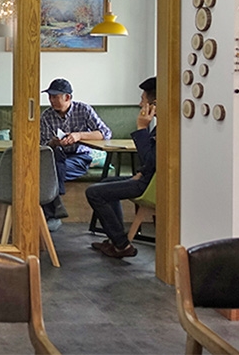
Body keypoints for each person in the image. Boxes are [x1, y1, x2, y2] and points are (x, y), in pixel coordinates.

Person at [86, 77, 156, 259]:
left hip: (150, 185)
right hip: (147, 178)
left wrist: (141, 128)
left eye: (142, 99)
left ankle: (122, 244)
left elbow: (149, 158)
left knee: (94, 192)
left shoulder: (164, 129)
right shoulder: (162, 126)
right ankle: (115, 240)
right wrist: (141, 171)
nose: (139, 104)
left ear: (154, 104)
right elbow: (153, 161)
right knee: (106, 182)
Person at [40, 78, 112, 231]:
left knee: (45, 171)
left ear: (67, 97)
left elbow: (105, 133)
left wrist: (79, 135)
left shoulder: (84, 110)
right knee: (50, 160)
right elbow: (43, 144)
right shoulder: (46, 116)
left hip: (79, 157)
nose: (51, 100)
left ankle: (53, 212)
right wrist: (54, 142)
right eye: (50, 96)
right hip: (55, 156)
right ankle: (56, 208)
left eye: (55, 96)